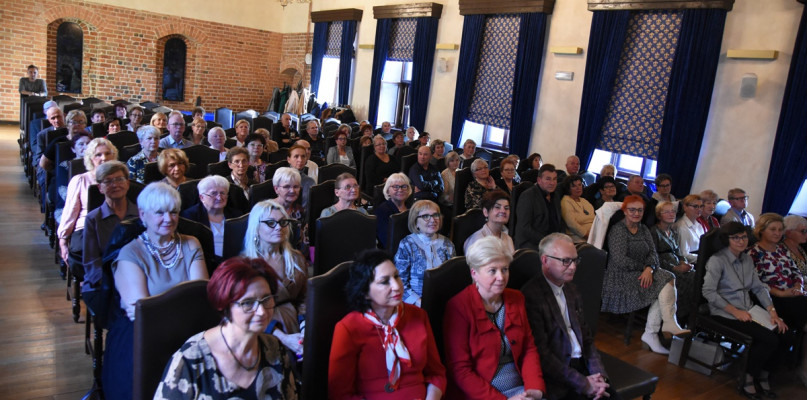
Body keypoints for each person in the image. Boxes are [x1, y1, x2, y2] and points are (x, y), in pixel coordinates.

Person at [104, 182, 208, 400]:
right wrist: (181, 302)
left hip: (189, 327)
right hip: (143, 333)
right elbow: (142, 311)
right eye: (159, 213)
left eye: (173, 212)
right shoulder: (130, 253)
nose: (168, 219)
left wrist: (165, 304)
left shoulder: (191, 244)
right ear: (142, 214)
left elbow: (200, 296)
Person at [154, 257, 298, 399]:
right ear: (225, 306)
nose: (261, 311)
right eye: (248, 303)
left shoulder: (275, 349)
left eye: (266, 299)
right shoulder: (191, 360)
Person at [329, 249, 446, 399]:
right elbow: (340, 394)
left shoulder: (418, 316)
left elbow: (436, 374)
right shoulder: (348, 328)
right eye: (385, 282)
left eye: (396, 277)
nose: (397, 286)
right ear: (364, 292)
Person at [444, 236, 545, 400]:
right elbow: (461, 370)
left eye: (505, 269)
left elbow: (528, 348)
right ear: (474, 274)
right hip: (483, 393)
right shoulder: (458, 307)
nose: (501, 277)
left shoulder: (517, 298)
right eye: (493, 270)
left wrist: (534, 388)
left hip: (522, 389)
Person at [522, 233, 616, 400]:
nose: (573, 267)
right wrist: (584, 383)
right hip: (560, 375)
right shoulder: (531, 295)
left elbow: (586, 338)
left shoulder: (572, 290)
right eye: (566, 261)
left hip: (584, 366)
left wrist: (599, 374)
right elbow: (543, 356)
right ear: (545, 260)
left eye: (575, 260)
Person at [702, 222, 786, 399]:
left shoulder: (747, 259)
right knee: (768, 339)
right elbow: (708, 291)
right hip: (725, 312)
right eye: (736, 238)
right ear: (727, 240)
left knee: (786, 333)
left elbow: (758, 287)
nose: (741, 241)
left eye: (744, 237)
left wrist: (772, 311)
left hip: (748, 309)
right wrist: (734, 311)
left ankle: (763, 374)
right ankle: (747, 377)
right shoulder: (717, 260)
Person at [600, 195, 689, 355]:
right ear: (625, 211)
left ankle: (655, 331)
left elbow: (653, 254)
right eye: (632, 209)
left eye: (640, 210)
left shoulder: (643, 229)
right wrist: (645, 268)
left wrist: (650, 268)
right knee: (667, 279)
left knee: (664, 285)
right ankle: (660, 328)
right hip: (621, 276)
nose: (636, 213)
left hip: (642, 272)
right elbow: (620, 260)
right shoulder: (618, 230)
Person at [242, 200, 308, 355]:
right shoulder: (244, 265)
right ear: (256, 228)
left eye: (283, 222)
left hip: (294, 323)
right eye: (270, 223)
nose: (279, 228)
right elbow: (246, 312)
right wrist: (283, 338)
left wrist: (305, 330)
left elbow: (303, 300)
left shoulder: (297, 259)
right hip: (261, 329)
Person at [748, 214, 807, 362]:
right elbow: (756, 283)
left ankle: (799, 361)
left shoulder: (782, 250)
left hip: (792, 294)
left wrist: (798, 285)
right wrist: (781, 294)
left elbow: (796, 271)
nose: (777, 233)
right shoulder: (754, 252)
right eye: (772, 229)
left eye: (780, 229)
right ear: (762, 230)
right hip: (771, 298)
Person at [57, 138, 117, 267]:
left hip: (113, 228)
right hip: (85, 229)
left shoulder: (121, 181)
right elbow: (70, 212)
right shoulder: (80, 180)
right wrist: (63, 240)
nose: (104, 158)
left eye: (108, 153)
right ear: (90, 158)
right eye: (98, 155)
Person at [81, 161, 138, 292]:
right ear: (100, 187)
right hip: (105, 281)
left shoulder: (141, 216)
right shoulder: (93, 219)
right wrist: (109, 283)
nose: (115, 185)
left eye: (119, 179)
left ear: (127, 183)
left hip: (137, 276)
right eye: (108, 181)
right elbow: (91, 261)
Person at [394, 200, 455, 306]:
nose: (433, 220)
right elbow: (399, 281)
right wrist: (420, 303)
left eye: (436, 215)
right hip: (415, 304)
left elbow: (453, 279)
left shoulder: (447, 244)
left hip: (445, 302)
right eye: (426, 216)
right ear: (416, 222)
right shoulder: (407, 244)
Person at [651, 201, 696, 322]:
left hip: (677, 264)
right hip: (663, 268)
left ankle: (689, 316)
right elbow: (653, 256)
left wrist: (684, 262)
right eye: (667, 212)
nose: (671, 214)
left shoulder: (673, 231)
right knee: (689, 280)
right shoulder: (654, 231)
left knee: (697, 276)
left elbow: (679, 252)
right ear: (659, 215)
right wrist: (674, 268)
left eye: (673, 211)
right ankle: (677, 316)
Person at [180, 175, 241, 258]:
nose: (219, 198)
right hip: (204, 262)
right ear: (202, 197)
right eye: (214, 193)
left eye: (222, 193)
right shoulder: (189, 217)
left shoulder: (237, 216)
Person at [515, 164, 563, 251]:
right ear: (539, 180)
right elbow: (524, 228)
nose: (552, 183)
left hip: (552, 243)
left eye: (555, 179)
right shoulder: (528, 196)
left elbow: (559, 221)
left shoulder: (555, 196)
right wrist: (547, 242)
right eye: (548, 179)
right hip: (531, 244)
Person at [464, 190, 514, 255]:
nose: (503, 211)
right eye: (497, 207)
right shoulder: (477, 241)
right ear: (485, 212)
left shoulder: (508, 238)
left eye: (506, 208)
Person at [272, 167, 306, 250]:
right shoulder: (266, 211)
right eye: (287, 187)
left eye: (296, 187)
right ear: (276, 189)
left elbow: (304, 243)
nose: (292, 191)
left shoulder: (300, 211)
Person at [375, 173, 412, 249]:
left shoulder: (412, 208)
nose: (400, 190)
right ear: (388, 190)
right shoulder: (382, 210)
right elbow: (386, 240)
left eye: (404, 186)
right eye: (396, 187)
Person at [560, 174, 595, 244]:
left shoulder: (584, 201)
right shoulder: (566, 201)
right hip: (577, 239)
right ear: (568, 189)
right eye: (574, 186)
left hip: (593, 236)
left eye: (579, 185)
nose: (578, 188)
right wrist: (586, 235)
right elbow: (571, 224)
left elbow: (594, 219)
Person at [673, 194, 705, 264]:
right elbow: (684, 254)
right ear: (685, 207)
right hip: (691, 264)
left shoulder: (699, 225)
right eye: (695, 206)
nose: (699, 209)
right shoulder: (682, 227)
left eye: (701, 206)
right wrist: (704, 258)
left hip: (700, 258)